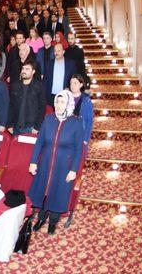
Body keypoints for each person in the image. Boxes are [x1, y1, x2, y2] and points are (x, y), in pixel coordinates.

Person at [29, 90, 85, 235]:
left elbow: (79, 149)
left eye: (62, 102)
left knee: (58, 192)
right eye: (57, 102)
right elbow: (39, 142)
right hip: (46, 162)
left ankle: (53, 221)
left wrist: (74, 170)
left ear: (69, 104)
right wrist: (33, 161)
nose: (59, 105)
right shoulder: (48, 119)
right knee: (43, 191)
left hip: (64, 165)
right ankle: (41, 218)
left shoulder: (76, 122)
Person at [8, 61, 46, 135]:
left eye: (27, 69)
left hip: (31, 128)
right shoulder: (14, 85)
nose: (24, 71)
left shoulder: (39, 87)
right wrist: (9, 124)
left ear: (33, 72)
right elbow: (10, 106)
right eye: (23, 68)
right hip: (15, 127)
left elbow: (42, 108)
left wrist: (37, 127)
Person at [69, 74, 93, 146]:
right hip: (66, 133)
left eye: (75, 83)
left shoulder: (86, 101)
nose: (72, 85)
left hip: (79, 134)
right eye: (71, 83)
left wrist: (86, 138)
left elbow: (89, 121)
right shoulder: (65, 98)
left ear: (81, 85)